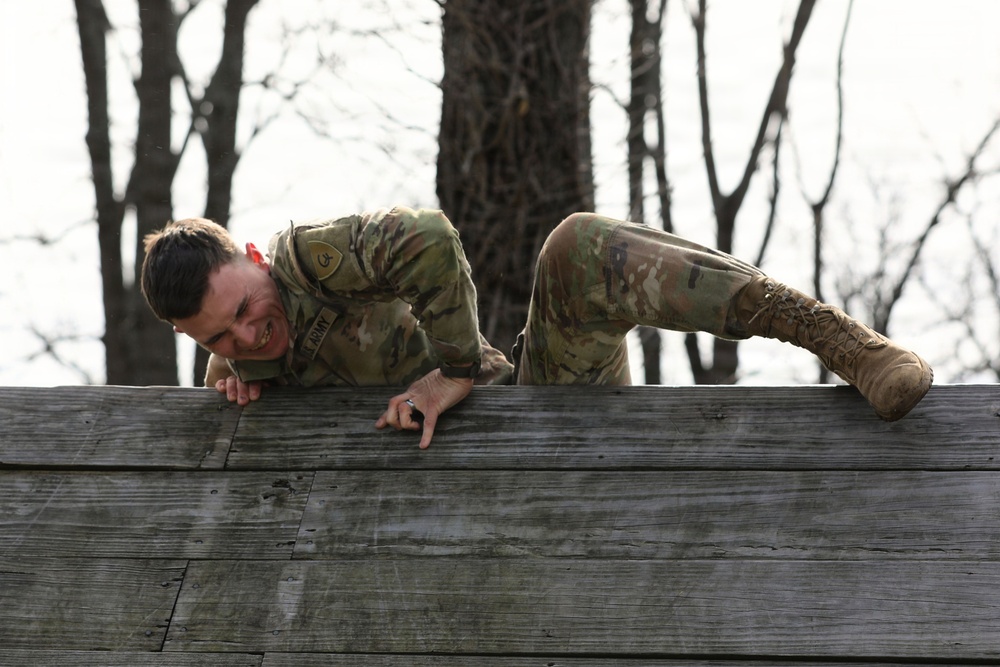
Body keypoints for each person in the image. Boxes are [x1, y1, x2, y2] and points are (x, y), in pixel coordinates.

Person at [140, 206, 933, 449]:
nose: (248, 336)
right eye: (218, 336)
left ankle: (841, 341)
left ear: (252, 258)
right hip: (447, 532)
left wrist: (453, 366)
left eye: (246, 309)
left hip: (537, 411)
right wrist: (228, 373)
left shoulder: (307, 261)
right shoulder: (239, 370)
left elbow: (429, 238)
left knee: (575, 247)